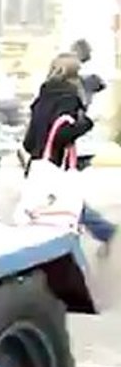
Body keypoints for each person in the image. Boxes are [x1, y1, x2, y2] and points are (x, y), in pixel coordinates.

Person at [23, 52, 116, 252]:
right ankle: (103, 231)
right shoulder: (70, 97)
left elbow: (31, 139)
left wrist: (37, 151)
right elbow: (63, 133)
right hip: (61, 160)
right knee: (63, 201)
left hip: (41, 159)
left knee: (51, 204)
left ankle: (100, 232)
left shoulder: (42, 96)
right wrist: (88, 123)